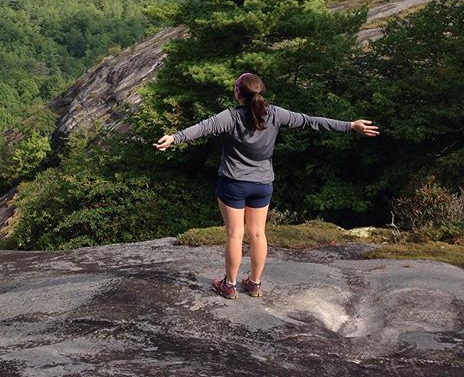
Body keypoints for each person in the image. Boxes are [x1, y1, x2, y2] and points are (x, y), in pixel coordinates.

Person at [153, 72, 379, 299]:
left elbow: (203, 127)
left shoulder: (230, 117)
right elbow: (311, 121)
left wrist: (174, 138)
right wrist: (350, 125)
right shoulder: (275, 114)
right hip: (262, 184)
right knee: (258, 234)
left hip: (233, 183)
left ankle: (229, 286)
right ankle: (254, 283)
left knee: (234, 235)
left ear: (237, 94)